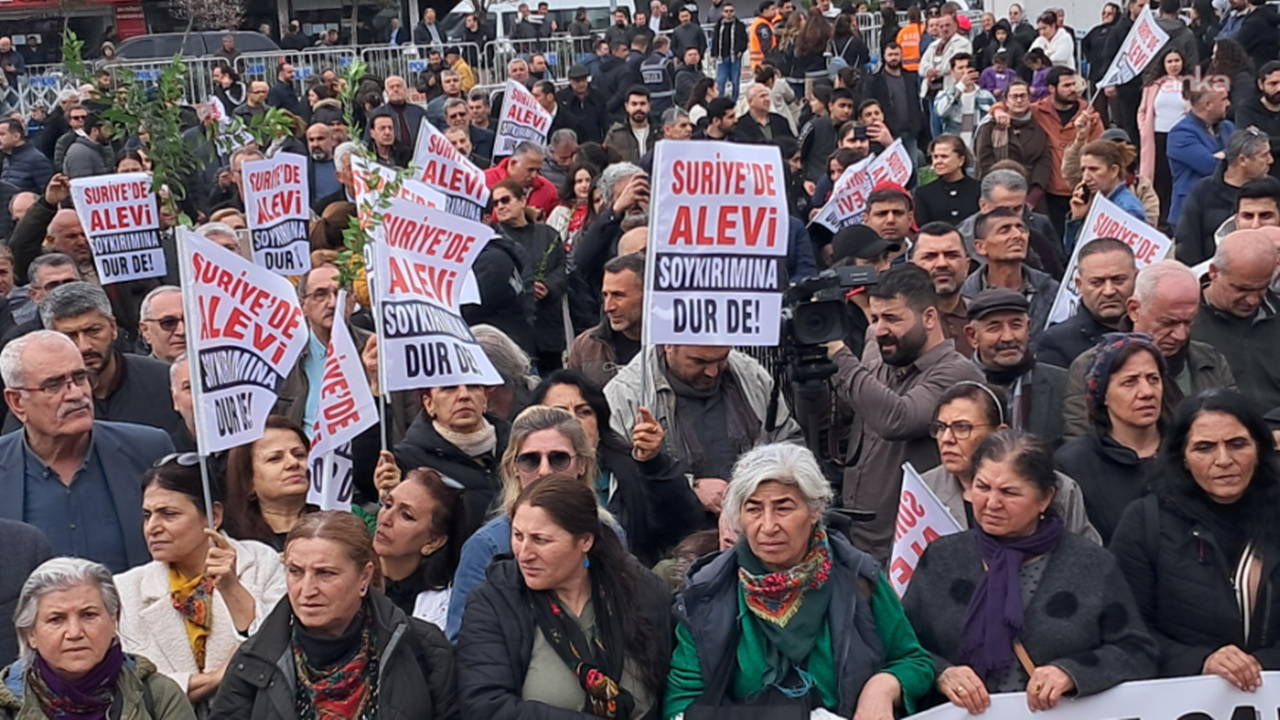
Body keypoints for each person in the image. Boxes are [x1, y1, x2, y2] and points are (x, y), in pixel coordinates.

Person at [665, 443, 934, 717]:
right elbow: (681, 703)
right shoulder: (707, 593)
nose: (768, 526)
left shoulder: (859, 577)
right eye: (754, 510)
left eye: (783, 508)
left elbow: (915, 660)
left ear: (815, 510)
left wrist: (884, 686)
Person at [904, 430, 1155, 713]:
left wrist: (1072, 672)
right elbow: (903, 648)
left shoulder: (1092, 564)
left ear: (1045, 498)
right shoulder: (942, 558)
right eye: (982, 487)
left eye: (1009, 492)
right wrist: (942, 673)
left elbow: (1136, 652)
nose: (992, 503)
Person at [456, 473, 671, 718]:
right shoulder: (496, 602)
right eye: (517, 536)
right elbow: (486, 707)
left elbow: (672, 689)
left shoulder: (640, 592)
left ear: (585, 541)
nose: (524, 554)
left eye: (540, 540)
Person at [208, 511, 457, 719]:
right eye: (295, 571)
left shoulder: (422, 647)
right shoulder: (256, 656)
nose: (307, 590)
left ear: (364, 577)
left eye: (325, 573)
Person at [1111, 390, 1280, 687]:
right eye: (1205, 448)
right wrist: (1200, 662)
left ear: (1259, 448)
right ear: (1184, 458)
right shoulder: (1145, 521)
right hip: (1182, 699)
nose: (1224, 460)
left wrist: (1260, 665)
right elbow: (1126, 627)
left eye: (1237, 444)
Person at [828, 265, 984, 558]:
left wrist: (838, 355)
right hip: (857, 541)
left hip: (914, 548)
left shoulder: (957, 374)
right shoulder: (877, 359)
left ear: (929, 317)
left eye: (892, 318)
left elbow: (898, 419)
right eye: (875, 318)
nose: (879, 330)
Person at [114, 457, 286, 706]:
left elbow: (275, 651)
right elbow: (135, 685)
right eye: (147, 515)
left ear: (214, 515)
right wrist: (216, 678)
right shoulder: (125, 589)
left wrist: (231, 588)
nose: (152, 527)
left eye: (169, 514)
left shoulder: (262, 562)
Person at [0, 330, 173, 572]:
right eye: (54, 385)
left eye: (80, 377)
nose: (76, 394)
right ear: (17, 402)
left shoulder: (149, 449)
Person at [445, 406, 600, 641]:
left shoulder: (608, 532)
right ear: (514, 468)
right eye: (530, 460)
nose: (544, 471)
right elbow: (462, 641)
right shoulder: (486, 546)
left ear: (582, 465)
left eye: (559, 459)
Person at [533, 369, 700, 564]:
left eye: (584, 412)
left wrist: (654, 464)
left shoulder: (631, 470)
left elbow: (683, 527)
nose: (573, 421)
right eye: (559, 413)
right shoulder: (525, 470)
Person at [0, 557, 195, 719]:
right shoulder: (6, 706)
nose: (75, 633)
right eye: (56, 619)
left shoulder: (159, 696)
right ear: (30, 634)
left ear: (114, 621)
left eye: (89, 615)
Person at [1063, 260, 1237, 437]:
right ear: (1134, 310)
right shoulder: (1091, 367)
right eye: (1168, 323)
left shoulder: (1210, 361)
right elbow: (1081, 439)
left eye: (1188, 322)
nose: (1180, 335)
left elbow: (1235, 427)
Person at [605, 341, 803, 495]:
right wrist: (691, 487)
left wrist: (762, 477)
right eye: (699, 361)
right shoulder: (627, 394)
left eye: (722, 358)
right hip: (671, 526)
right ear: (668, 345)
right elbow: (623, 478)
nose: (712, 372)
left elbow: (789, 443)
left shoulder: (751, 375)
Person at [922, 383, 1098, 539]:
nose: (946, 438)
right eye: (940, 427)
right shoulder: (924, 488)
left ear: (999, 432)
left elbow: (1086, 557)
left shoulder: (1060, 488)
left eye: (962, 427)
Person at [1056, 333, 1167, 542]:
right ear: (1103, 394)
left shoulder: (1186, 449)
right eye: (1130, 382)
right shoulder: (1073, 464)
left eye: (1153, 379)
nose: (1147, 392)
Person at [391, 379, 511, 538]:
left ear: (485, 399)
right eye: (449, 388)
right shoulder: (406, 460)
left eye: (473, 386)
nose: (464, 395)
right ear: (429, 403)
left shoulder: (517, 445)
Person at [1191, 230, 1280, 413]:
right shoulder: (1186, 322)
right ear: (1214, 272)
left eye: (1262, 288)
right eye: (1241, 289)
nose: (1252, 300)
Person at [965, 289, 1069, 442]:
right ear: (972, 336)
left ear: (1028, 328)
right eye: (994, 328)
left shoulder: (1063, 384)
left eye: (1016, 325)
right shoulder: (955, 384)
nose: (1008, 337)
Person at [370, 467, 466, 631]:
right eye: (388, 504)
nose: (386, 519)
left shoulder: (444, 610)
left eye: (406, 515)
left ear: (433, 541)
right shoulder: (350, 574)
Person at [1176, 129, 1275, 266]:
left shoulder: (1273, 189)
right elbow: (1188, 242)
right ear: (1243, 160)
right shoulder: (1203, 191)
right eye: (1264, 155)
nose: (1271, 160)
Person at [1037, 238, 1137, 368]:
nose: (1109, 291)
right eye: (1097, 283)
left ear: (1136, 278)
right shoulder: (1056, 342)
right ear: (1079, 285)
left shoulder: (1154, 330)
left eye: (1118, 280)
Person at [961, 207, 1060, 335]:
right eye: (1004, 230)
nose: (1018, 235)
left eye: (1021, 229)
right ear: (980, 247)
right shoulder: (964, 296)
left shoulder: (1051, 291)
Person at [221, 415, 309, 551]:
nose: (293, 463)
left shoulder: (336, 525)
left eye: (300, 455)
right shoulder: (228, 541)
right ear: (248, 480)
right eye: (275, 458)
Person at [567, 253, 643, 390]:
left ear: (647, 294)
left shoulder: (671, 349)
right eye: (605, 295)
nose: (608, 307)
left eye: (618, 295)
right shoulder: (585, 346)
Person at [1167, 89, 1235, 227]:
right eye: (1223, 99)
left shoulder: (1228, 127)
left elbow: (1247, 154)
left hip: (1227, 208)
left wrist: (1223, 155)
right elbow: (1211, 166)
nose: (1228, 103)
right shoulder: (1180, 133)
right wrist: (1233, 153)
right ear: (1208, 105)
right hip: (1191, 213)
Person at [1138, 50, 1190, 225]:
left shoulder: (1190, 84)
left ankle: (1175, 217)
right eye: (1170, 61)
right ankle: (1159, 218)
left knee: (1177, 178)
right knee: (1160, 178)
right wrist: (1144, 128)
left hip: (1181, 137)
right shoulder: (1153, 86)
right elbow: (1143, 110)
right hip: (1158, 137)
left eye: (1177, 60)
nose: (1174, 64)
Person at [911, 222, 975, 356]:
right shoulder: (900, 324)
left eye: (952, 255)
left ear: (967, 265)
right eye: (930, 257)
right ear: (912, 267)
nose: (942, 264)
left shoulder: (983, 316)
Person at [914, 135, 980, 226]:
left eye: (944, 156)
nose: (938, 161)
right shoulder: (923, 193)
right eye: (935, 157)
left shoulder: (979, 190)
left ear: (961, 160)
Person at [933, 54, 995, 149]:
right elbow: (941, 111)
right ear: (952, 72)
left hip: (979, 145)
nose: (965, 71)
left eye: (967, 67)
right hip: (954, 145)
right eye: (960, 68)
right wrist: (960, 86)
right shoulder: (944, 94)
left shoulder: (986, 96)